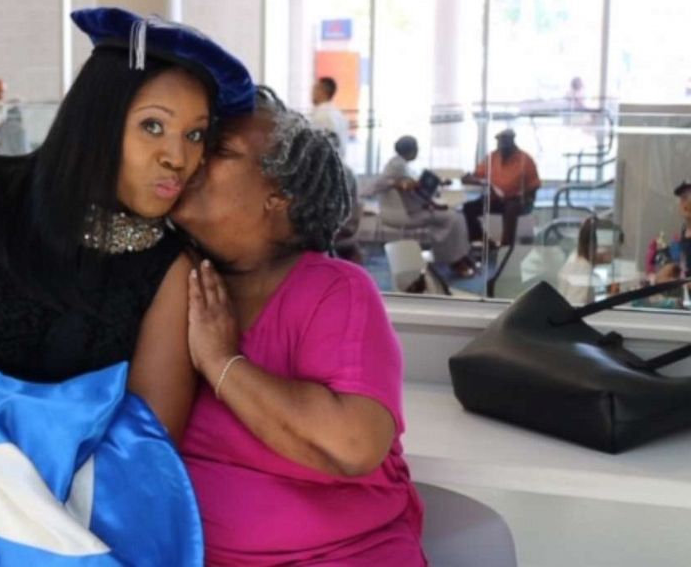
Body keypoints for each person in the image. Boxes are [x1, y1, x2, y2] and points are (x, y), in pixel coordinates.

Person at [0, 7, 255, 565]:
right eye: (153, 126)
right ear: (97, 120)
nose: (177, 156)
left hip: (51, 538)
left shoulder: (170, 271)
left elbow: (142, 445)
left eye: (196, 135)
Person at [172, 88, 425, 566]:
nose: (192, 161)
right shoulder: (175, 285)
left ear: (278, 196)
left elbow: (354, 444)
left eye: (220, 152)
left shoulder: (335, 290)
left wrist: (222, 363)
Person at [375, 135, 475, 278]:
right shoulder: (399, 166)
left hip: (405, 210)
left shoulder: (396, 163)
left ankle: (459, 255)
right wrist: (432, 204)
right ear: (412, 150)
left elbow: (412, 188)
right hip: (407, 214)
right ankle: (456, 260)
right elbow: (414, 190)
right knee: (454, 217)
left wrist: (433, 193)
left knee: (454, 215)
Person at [462, 128, 541, 246]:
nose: (502, 146)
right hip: (496, 198)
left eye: (505, 142)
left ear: (512, 142)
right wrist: (471, 179)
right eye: (500, 142)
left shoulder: (525, 159)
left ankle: (505, 246)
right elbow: (477, 174)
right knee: (468, 208)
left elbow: (534, 185)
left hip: (519, 201)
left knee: (511, 208)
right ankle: (483, 239)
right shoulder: (493, 157)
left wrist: (521, 194)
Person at [310, 76, 350, 154]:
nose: (312, 93)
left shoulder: (322, 115)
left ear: (322, 91)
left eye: (314, 89)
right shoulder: (339, 114)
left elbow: (318, 149)